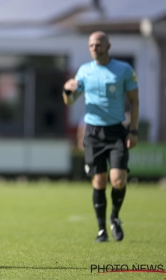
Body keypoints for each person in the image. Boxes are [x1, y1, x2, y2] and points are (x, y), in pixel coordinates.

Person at [62, 31, 139, 243]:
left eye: (98, 44)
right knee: (99, 180)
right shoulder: (84, 71)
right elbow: (70, 101)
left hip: (116, 132)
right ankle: (101, 230)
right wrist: (68, 90)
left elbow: (134, 101)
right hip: (93, 132)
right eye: (91, 45)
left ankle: (114, 217)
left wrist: (133, 130)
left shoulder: (123, 70)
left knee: (118, 180)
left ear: (108, 46)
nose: (94, 48)